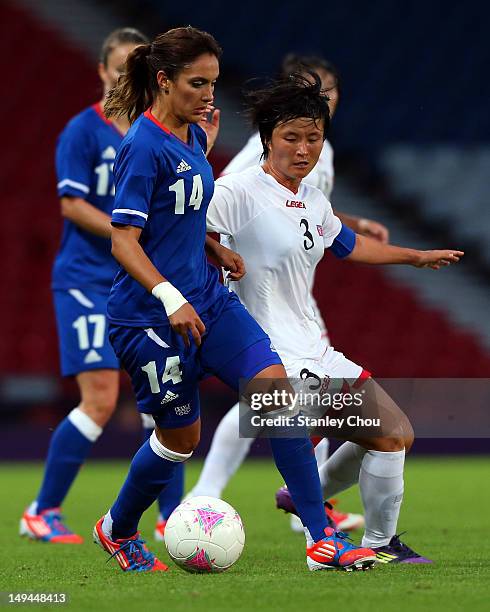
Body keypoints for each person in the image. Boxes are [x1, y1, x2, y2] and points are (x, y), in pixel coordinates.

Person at [92, 26, 377, 573]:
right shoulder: (141, 147)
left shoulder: (196, 137)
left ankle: (322, 538)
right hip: (150, 319)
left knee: (279, 395)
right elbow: (123, 238)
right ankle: (118, 528)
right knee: (178, 442)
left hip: (209, 301)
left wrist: (211, 249)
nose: (208, 95)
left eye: (214, 82)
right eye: (197, 84)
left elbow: (179, 218)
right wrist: (172, 295)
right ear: (164, 80)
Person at [205, 72, 463, 562]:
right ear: (268, 139)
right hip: (269, 351)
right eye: (291, 138)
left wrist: (414, 257)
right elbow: (182, 227)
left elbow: (347, 244)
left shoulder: (312, 198)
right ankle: (328, 540)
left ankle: (349, 527)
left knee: (395, 435)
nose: (304, 149)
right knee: (362, 435)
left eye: (313, 138)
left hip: (315, 346)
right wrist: (216, 252)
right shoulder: (237, 190)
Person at [186, 54, 385, 534]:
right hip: (257, 286)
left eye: (331, 88)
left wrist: (350, 225)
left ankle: (302, 502)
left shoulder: (323, 149)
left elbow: (302, 206)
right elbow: (225, 198)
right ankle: (209, 496)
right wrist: (221, 253)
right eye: (313, 87)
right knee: (286, 393)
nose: (326, 96)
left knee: (294, 393)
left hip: (296, 292)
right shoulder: (261, 147)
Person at [19, 28, 152, 544]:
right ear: (102, 71)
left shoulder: (151, 134)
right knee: (100, 399)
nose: (126, 78)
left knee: (163, 398)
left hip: (135, 279)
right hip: (88, 279)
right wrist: (128, 230)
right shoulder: (81, 131)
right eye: (119, 68)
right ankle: (43, 509)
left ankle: (168, 518)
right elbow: (71, 204)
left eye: (136, 70)